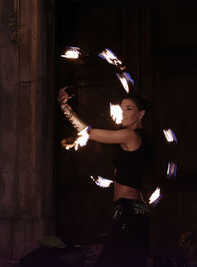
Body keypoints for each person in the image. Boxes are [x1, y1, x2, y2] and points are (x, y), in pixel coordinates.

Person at [57, 87, 153, 267]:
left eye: (129, 109)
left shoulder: (129, 135)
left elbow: (88, 132)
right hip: (137, 209)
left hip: (128, 210)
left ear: (141, 114)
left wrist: (65, 107)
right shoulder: (143, 139)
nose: (123, 113)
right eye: (122, 108)